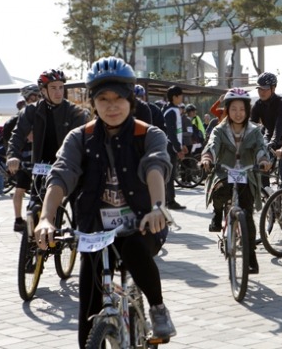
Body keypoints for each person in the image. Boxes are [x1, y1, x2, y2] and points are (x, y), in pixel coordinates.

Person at [33, 56, 176, 348]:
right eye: (103, 99)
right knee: (88, 308)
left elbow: (155, 167)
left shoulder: (148, 134)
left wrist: (158, 207)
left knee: (135, 247)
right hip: (95, 231)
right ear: (92, 103)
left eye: (118, 98)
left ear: (131, 100)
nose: (112, 106)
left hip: (143, 223)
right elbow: (61, 176)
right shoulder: (79, 138)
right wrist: (47, 218)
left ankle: (158, 308)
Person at [200, 88, 271, 274]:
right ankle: (217, 214)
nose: (238, 113)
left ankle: (251, 257)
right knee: (219, 192)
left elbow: (260, 148)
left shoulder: (255, 131)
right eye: (233, 109)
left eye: (242, 109)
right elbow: (212, 145)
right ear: (227, 110)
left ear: (247, 110)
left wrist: (263, 160)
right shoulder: (219, 129)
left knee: (247, 216)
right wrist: (207, 158)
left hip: (247, 174)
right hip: (224, 172)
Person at [7, 69, 88, 214]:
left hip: (68, 165)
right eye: (53, 88)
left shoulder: (74, 111)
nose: (58, 92)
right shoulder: (31, 110)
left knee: (80, 210)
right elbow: (18, 134)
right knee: (34, 209)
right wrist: (13, 155)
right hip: (41, 166)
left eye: (61, 87)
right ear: (43, 91)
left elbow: (83, 140)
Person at [250, 72, 282, 187]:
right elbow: (251, 125)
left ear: (273, 88)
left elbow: (279, 126)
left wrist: (273, 141)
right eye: (259, 88)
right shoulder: (258, 105)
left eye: (265, 88)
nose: (262, 91)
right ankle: (267, 192)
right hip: (270, 137)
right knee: (261, 164)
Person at [3, 87, 40, 230]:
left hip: (39, 158)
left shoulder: (41, 113)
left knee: (46, 188)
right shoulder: (18, 118)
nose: (36, 99)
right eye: (33, 96)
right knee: (20, 189)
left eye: (38, 96)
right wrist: (11, 158)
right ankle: (18, 220)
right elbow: (9, 139)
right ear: (26, 98)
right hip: (23, 160)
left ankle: (50, 216)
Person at [162, 86, 188, 210]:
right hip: (169, 146)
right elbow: (171, 132)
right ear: (174, 97)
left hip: (172, 145)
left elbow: (177, 131)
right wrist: (178, 148)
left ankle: (168, 200)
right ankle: (170, 201)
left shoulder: (173, 109)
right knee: (170, 175)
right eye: (180, 95)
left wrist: (181, 145)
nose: (182, 97)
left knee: (170, 175)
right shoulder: (171, 111)